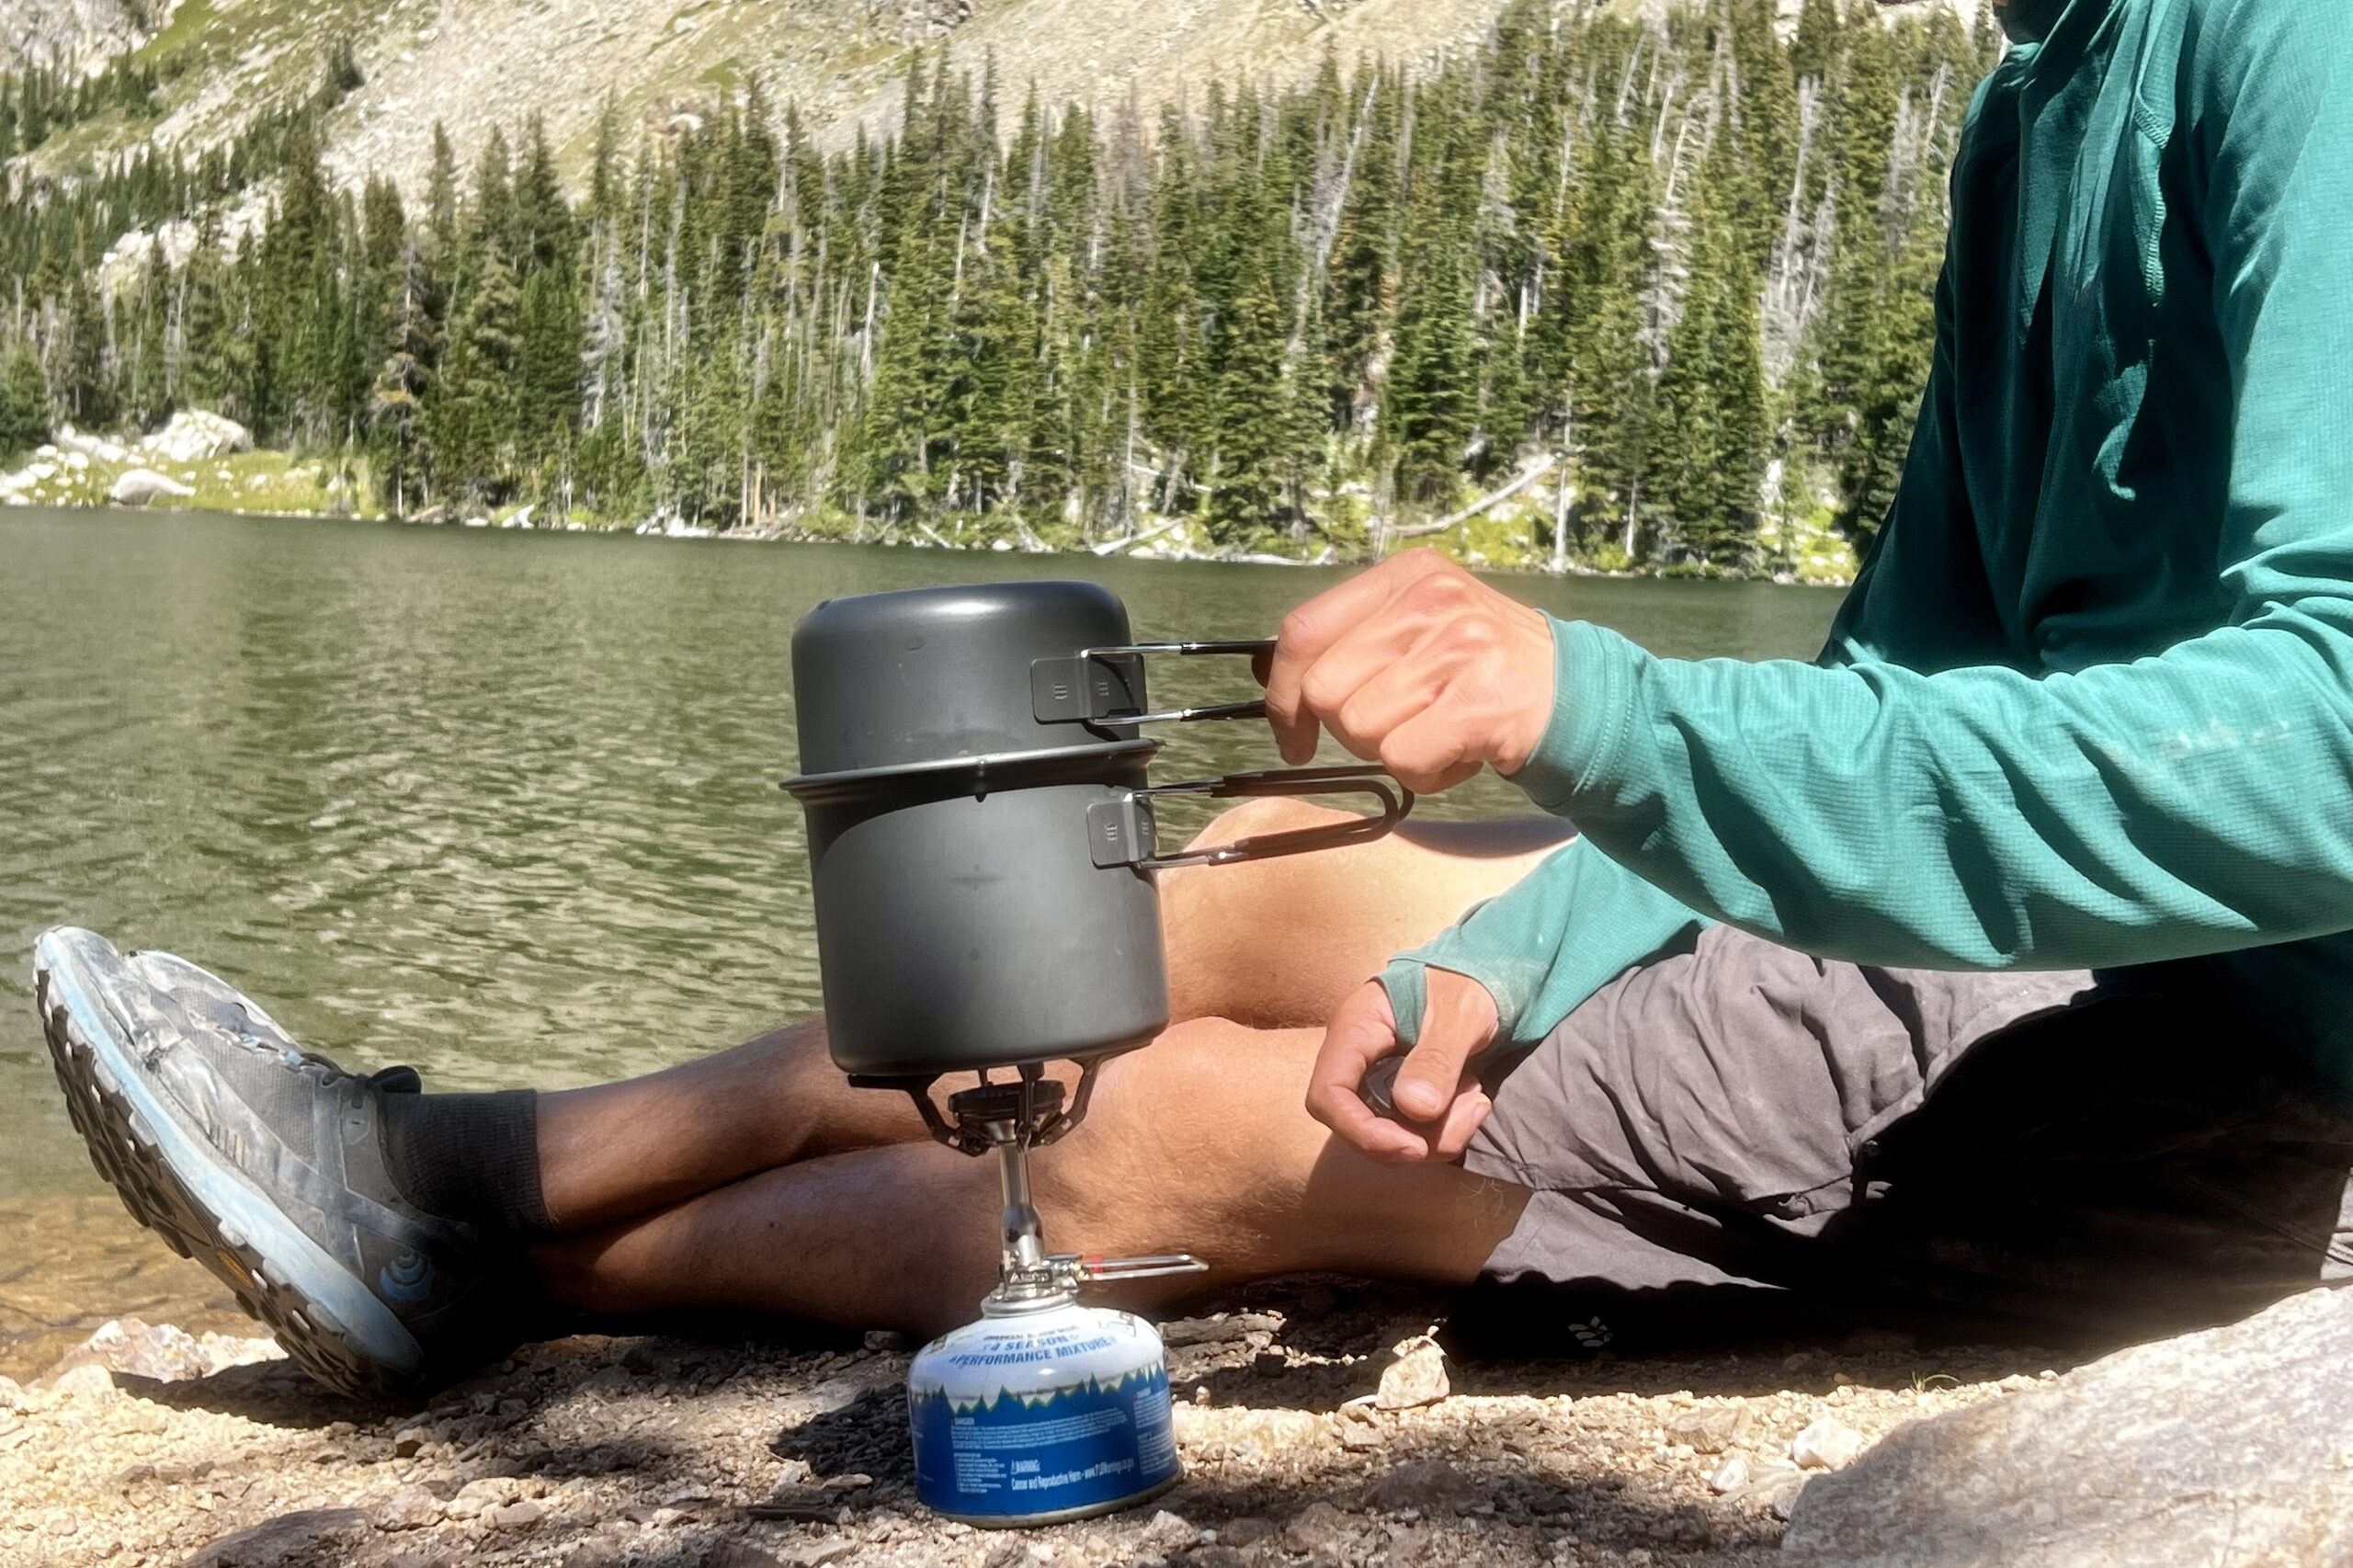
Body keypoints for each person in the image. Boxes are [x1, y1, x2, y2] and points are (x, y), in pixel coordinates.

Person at [35, 0, 2353, 1400]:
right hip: (2050, 930)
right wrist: (1521, 937)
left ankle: (508, 1284)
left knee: (1180, 1128)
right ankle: (441, 1158)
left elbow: (2324, 753)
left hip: (2239, 1068)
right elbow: (1919, 683)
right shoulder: (2051, 71)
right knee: (1243, 878)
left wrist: (1600, 710)